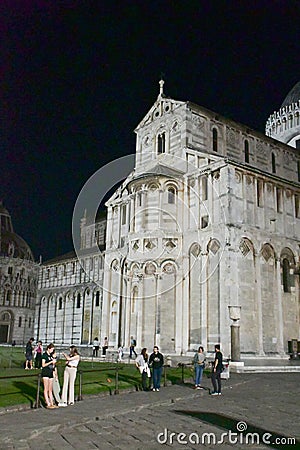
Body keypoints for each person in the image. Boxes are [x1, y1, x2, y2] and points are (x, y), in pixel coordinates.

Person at [41, 343, 58, 409]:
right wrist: (51, 362)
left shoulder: (51, 356)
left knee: (50, 389)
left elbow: (53, 365)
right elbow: (43, 365)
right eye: (51, 350)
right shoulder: (44, 355)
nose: (52, 351)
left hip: (50, 372)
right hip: (45, 372)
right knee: (46, 389)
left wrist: (53, 363)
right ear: (48, 349)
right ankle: (48, 403)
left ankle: (51, 402)